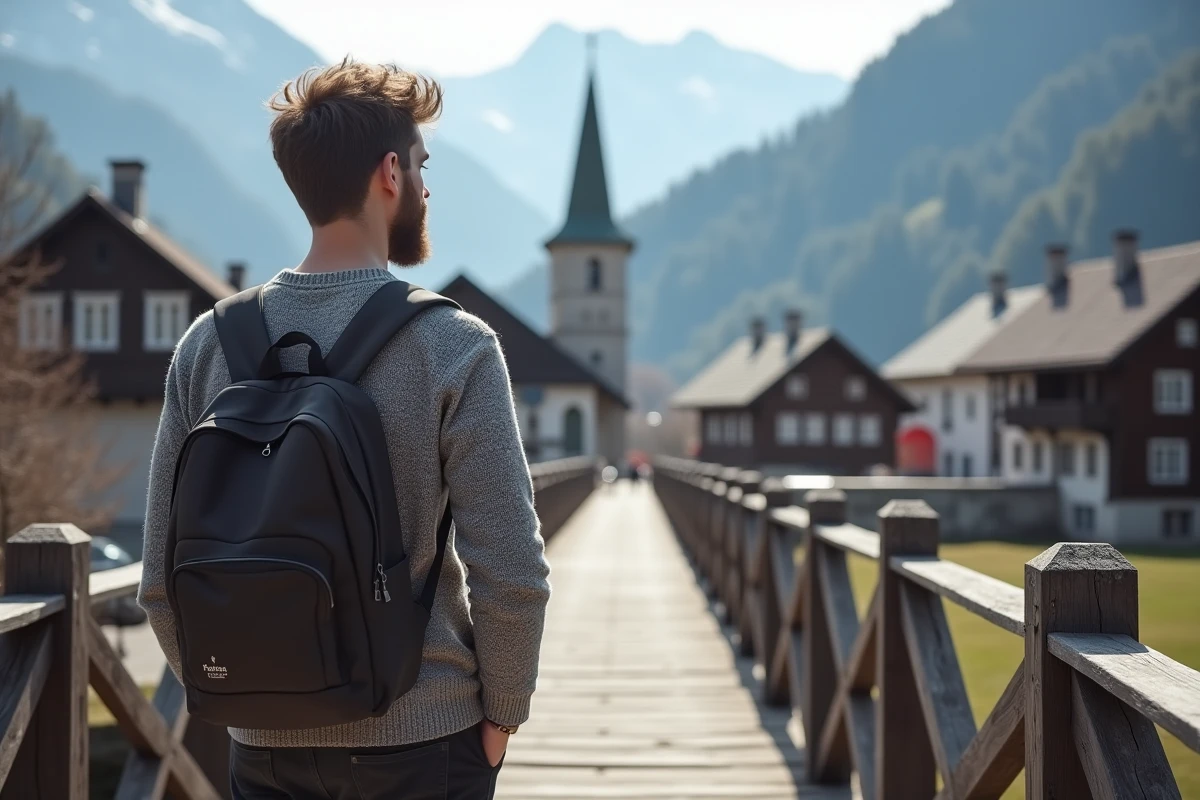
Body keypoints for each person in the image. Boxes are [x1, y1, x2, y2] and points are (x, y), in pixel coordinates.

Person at [137, 58, 551, 799]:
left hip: (262, 751)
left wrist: (247, 698)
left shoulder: (206, 345)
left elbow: (160, 585)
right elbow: (511, 569)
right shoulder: (453, 345)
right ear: (390, 173)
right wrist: (502, 716)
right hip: (424, 739)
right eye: (423, 165)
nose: (427, 186)